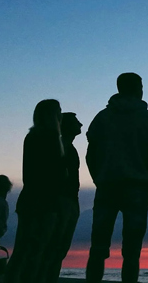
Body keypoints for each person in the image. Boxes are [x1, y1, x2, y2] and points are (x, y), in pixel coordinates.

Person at [85, 73, 148, 283]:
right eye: (141, 86)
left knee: (98, 247)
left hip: (107, 186)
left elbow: (91, 155)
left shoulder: (102, 117)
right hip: (137, 189)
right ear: (137, 88)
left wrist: (99, 179)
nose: (142, 90)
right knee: (132, 251)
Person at [5, 99, 67, 283]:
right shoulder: (51, 137)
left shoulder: (32, 137)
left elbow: (29, 174)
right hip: (46, 201)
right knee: (37, 251)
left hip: (30, 199)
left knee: (22, 250)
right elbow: (56, 174)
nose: (61, 115)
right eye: (59, 111)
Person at [43, 112, 83, 283]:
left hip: (70, 200)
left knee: (60, 248)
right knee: (55, 246)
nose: (80, 124)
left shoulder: (70, 148)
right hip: (62, 201)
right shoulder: (59, 146)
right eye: (76, 122)